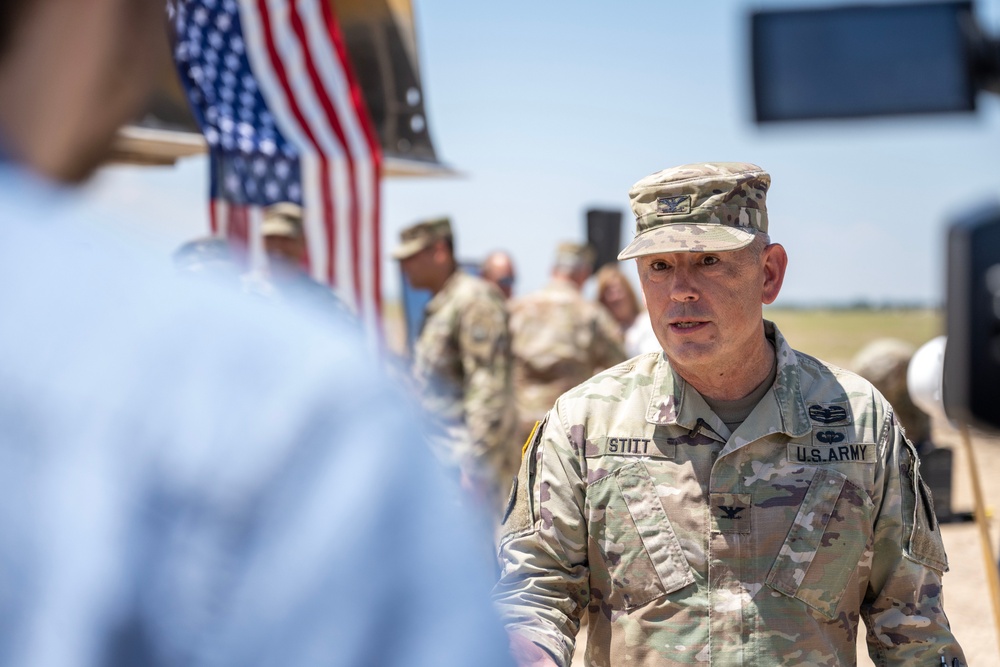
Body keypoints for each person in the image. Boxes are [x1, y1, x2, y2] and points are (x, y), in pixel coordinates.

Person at [0, 1, 514, 666]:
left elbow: (488, 391)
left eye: (281, 242)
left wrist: (478, 469)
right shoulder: (282, 395)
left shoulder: (309, 351)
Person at [493, 162, 965, 666]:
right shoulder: (583, 424)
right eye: (659, 267)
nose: (681, 290)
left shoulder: (859, 422)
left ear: (768, 273)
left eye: (710, 260)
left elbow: (914, 628)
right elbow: (533, 594)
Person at [393, 217, 518, 514]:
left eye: (412, 256)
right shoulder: (442, 304)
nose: (404, 266)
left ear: (439, 251)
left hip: (463, 469)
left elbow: (488, 387)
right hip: (440, 462)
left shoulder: (473, 300)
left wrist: (476, 469)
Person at [508, 242, 626, 448]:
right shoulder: (591, 314)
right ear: (584, 273)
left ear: (553, 270)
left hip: (518, 425)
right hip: (565, 427)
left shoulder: (516, 308)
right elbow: (622, 370)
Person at [595, 264, 659, 357]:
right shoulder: (603, 334)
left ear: (628, 292)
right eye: (609, 293)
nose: (615, 297)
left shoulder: (646, 322)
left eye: (618, 290)